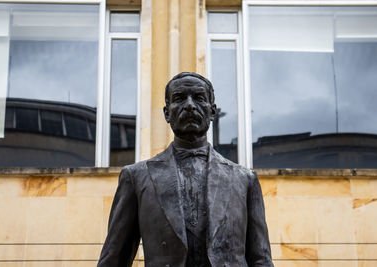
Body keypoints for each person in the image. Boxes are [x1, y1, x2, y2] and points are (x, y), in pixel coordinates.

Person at [98, 72, 274, 267]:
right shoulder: (137, 177)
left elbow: (261, 259)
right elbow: (114, 258)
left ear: (212, 111)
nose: (190, 105)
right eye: (180, 98)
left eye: (199, 98)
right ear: (167, 113)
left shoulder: (245, 180)